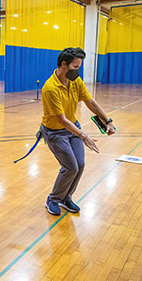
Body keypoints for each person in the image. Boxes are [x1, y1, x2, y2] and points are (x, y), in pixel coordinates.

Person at [42, 47, 116, 216]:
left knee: (80, 165)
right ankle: (53, 199)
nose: (78, 70)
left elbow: (90, 102)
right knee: (71, 167)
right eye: (75, 67)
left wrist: (107, 121)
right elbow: (61, 120)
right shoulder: (50, 88)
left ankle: (66, 198)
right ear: (64, 64)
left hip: (72, 128)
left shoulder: (75, 81)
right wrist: (83, 136)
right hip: (55, 132)